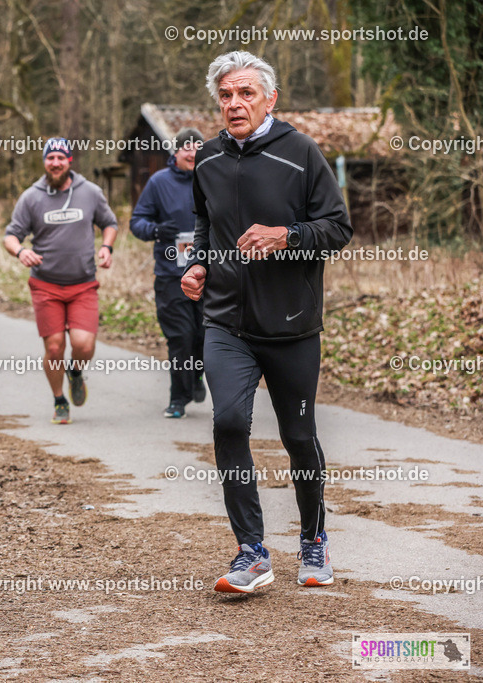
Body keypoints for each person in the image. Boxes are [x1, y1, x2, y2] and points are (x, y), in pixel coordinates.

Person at [180, 51, 353, 593]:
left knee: (299, 436)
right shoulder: (207, 158)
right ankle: (251, 552)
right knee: (229, 423)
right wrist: (198, 264)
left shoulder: (301, 152)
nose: (235, 104)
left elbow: (338, 227)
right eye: (226, 95)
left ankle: (314, 540)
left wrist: (287, 236)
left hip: (291, 326)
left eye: (246, 93)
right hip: (225, 323)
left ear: (270, 98)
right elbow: (205, 222)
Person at [4, 137, 118, 424]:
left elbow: (109, 224)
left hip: (83, 284)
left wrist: (106, 247)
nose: (55, 163)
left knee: (84, 345)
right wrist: (21, 251)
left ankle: (75, 373)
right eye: (50, 158)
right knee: (54, 347)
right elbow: (11, 236)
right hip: (45, 285)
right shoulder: (31, 197)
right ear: (45, 161)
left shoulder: (90, 192)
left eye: (60, 158)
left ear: (69, 161)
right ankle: (59, 401)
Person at [130, 128, 206, 419]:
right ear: (175, 152)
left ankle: (196, 375)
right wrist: (157, 230)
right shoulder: (159, 182)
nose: (192, 152)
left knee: (205, 336)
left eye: (197, 147)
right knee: (181, 337)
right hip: (170, 275)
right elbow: (137, 222)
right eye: (186, 147)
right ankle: (178, 399)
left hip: (208, 274)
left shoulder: (213, 178)